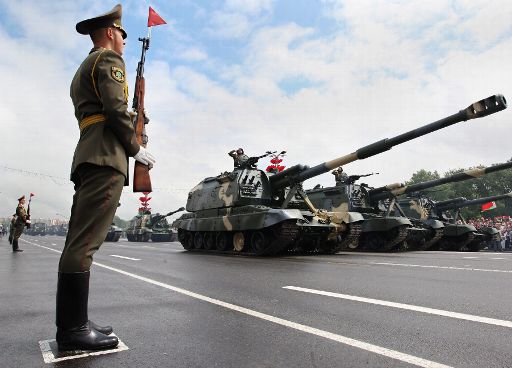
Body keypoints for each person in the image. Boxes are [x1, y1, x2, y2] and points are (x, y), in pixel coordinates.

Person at [56, 4, 155, 352]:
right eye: (123, 36)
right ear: (112, 33)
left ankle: (75, 322)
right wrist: (134, 147)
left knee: (78, 240)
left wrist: (134, 117)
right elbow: (113, 111)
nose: (125, 43)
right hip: (105, 158)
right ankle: (72, 330)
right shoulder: (110, 62)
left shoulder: (85, 66)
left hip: (89, 154)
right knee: (84, 244)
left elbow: (104, 110)